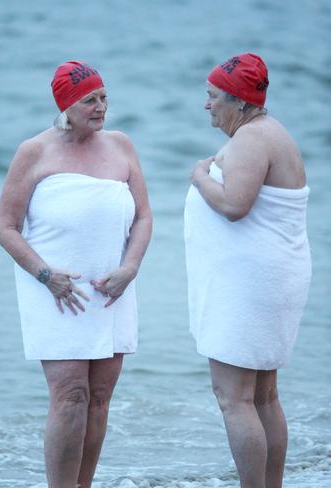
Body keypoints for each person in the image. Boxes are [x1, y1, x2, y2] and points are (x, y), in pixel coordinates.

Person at [0, 60, 152, 488]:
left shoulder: (121, 145)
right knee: (70, 397)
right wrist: (46, 276)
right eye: (90, 100)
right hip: (56, 290)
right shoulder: (35, 150)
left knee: (99, 399)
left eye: (104, 98)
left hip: (113, 289)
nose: (101, 107)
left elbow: (143, 216)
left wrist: (130, 269)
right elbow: (5, 226)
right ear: (66, 106)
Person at [184, 53, 311, 488]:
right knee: (262, 395)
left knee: (234, 398)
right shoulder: (268, 133)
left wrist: (200, 176)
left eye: (212, 96)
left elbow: (235, 205)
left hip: (251, 285)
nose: (207, 104)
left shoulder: (252, 140)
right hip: (270, 278)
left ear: (238, 101)